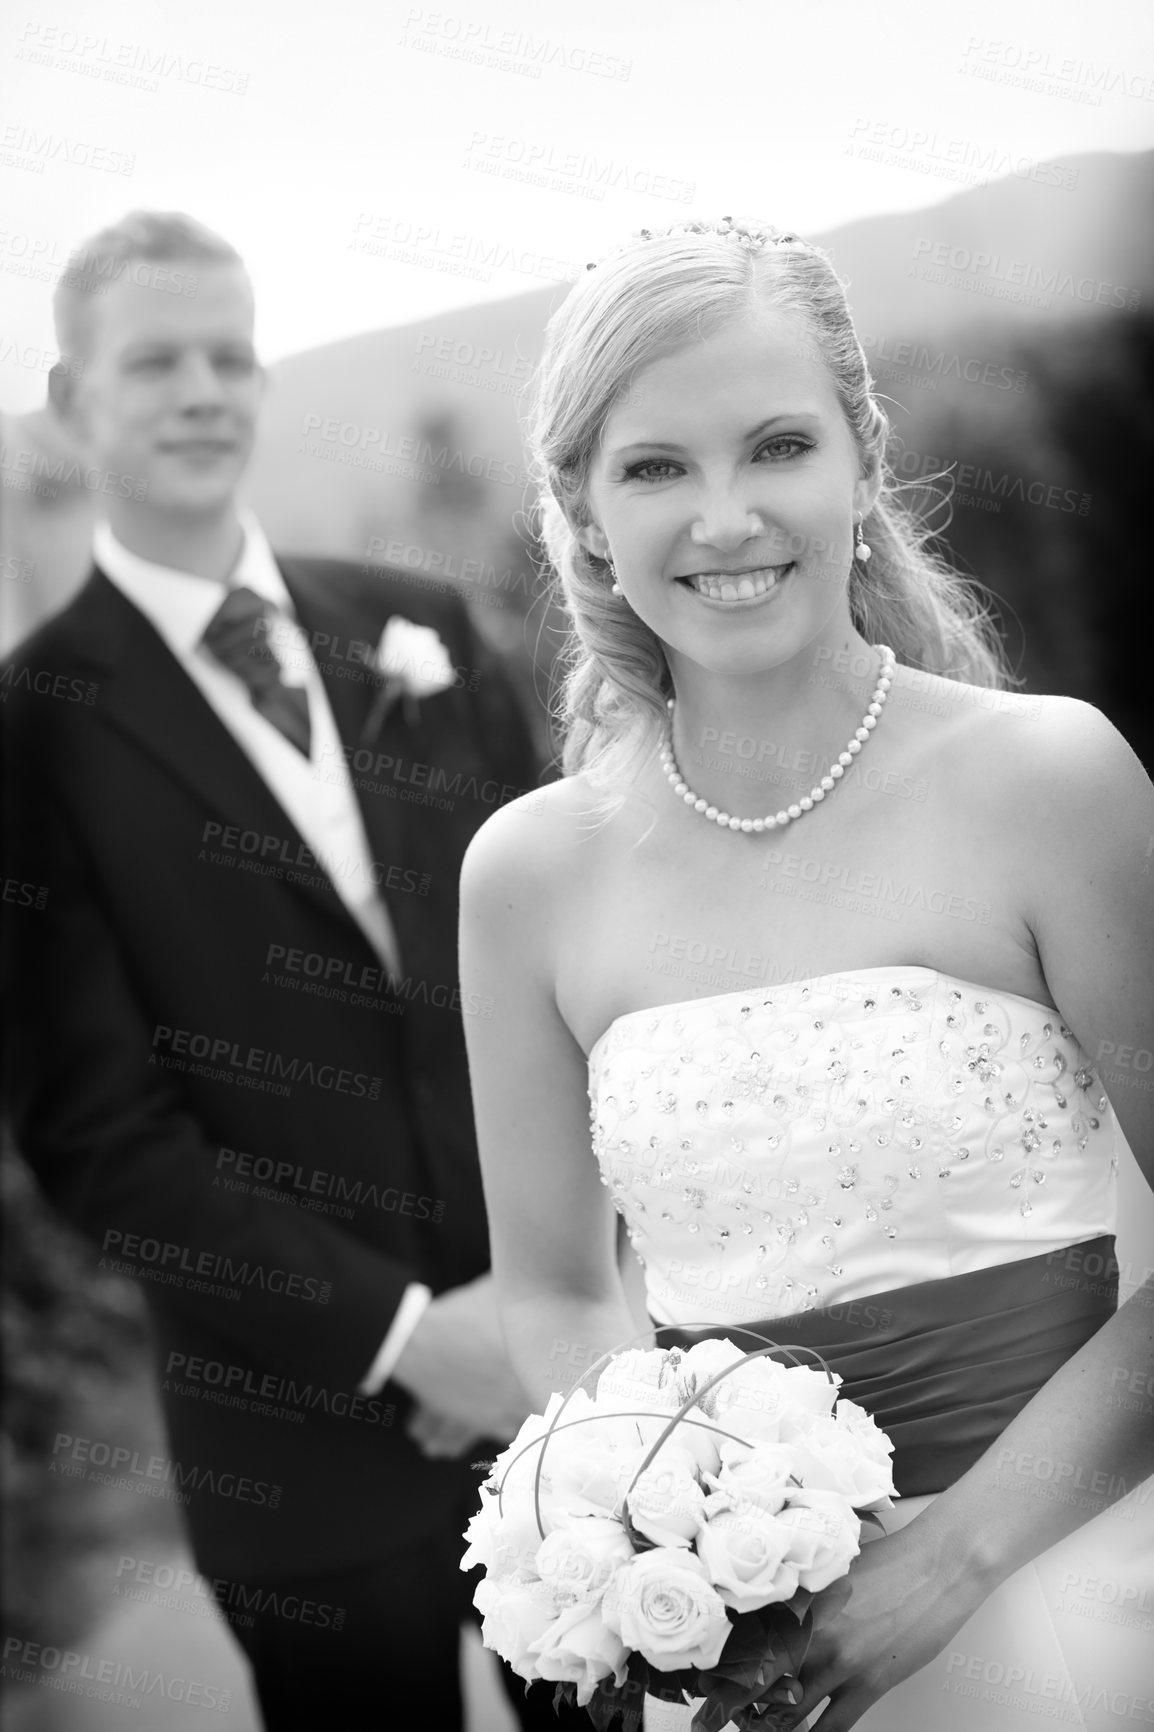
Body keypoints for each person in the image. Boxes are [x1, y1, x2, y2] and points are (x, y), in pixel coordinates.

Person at [459, 217, 1154, 1729]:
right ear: (579, 513)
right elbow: (558, 1295)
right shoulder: (524, 876)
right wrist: (682, 1535)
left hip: (1073, 1603)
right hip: (741, 1659)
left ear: (859, 461)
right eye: (654, 468)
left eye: (776, 446)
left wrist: (950, 1567)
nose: (724, 518)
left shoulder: (1052, 782)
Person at [0, 209, 584, 1730]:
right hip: (298, 1455)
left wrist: (562, 1296)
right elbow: (99, 1141)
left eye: (230, 356)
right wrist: (403, 1338)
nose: (203, 390)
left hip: (567, 1376)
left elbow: (561, 975)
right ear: (74, 403)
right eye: (155, 362)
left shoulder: (421, 630)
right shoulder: (35, 728)